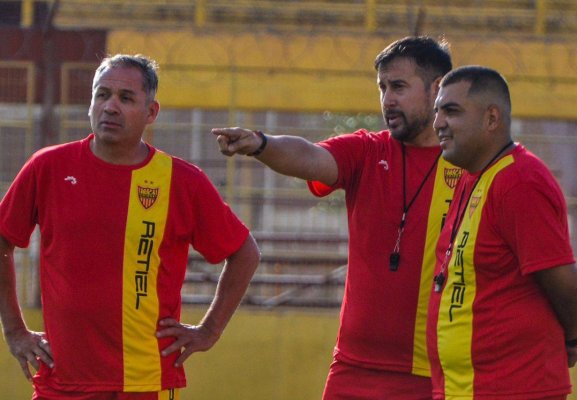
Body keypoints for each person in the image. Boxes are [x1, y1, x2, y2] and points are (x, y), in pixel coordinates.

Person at [0, 54, 260, 399]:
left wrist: (210, 330)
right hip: (61, 381)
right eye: (102, 95)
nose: (110, 107)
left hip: (146, 381)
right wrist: (15, 330)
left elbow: (244, 253)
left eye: (125, 98)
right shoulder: (47, 167)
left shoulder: (181, 181)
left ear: (151, 112)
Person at [213, 36, 455, 399]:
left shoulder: (469, 166)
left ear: (437, 89)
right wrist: (262, 144)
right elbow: (309, 156)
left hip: (433, 375)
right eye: (382, 87)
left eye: (399, 87)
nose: (387, 99)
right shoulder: (367, 151)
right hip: (352, 369)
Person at [428, 65, 577, 399]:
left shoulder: (520, 182)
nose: (438, 123)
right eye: (437, 111)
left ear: (491, 118)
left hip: (513, 389)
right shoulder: (474, 176)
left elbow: (565, 283)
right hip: (467, 389)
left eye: (452, 111)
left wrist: (575, 339)